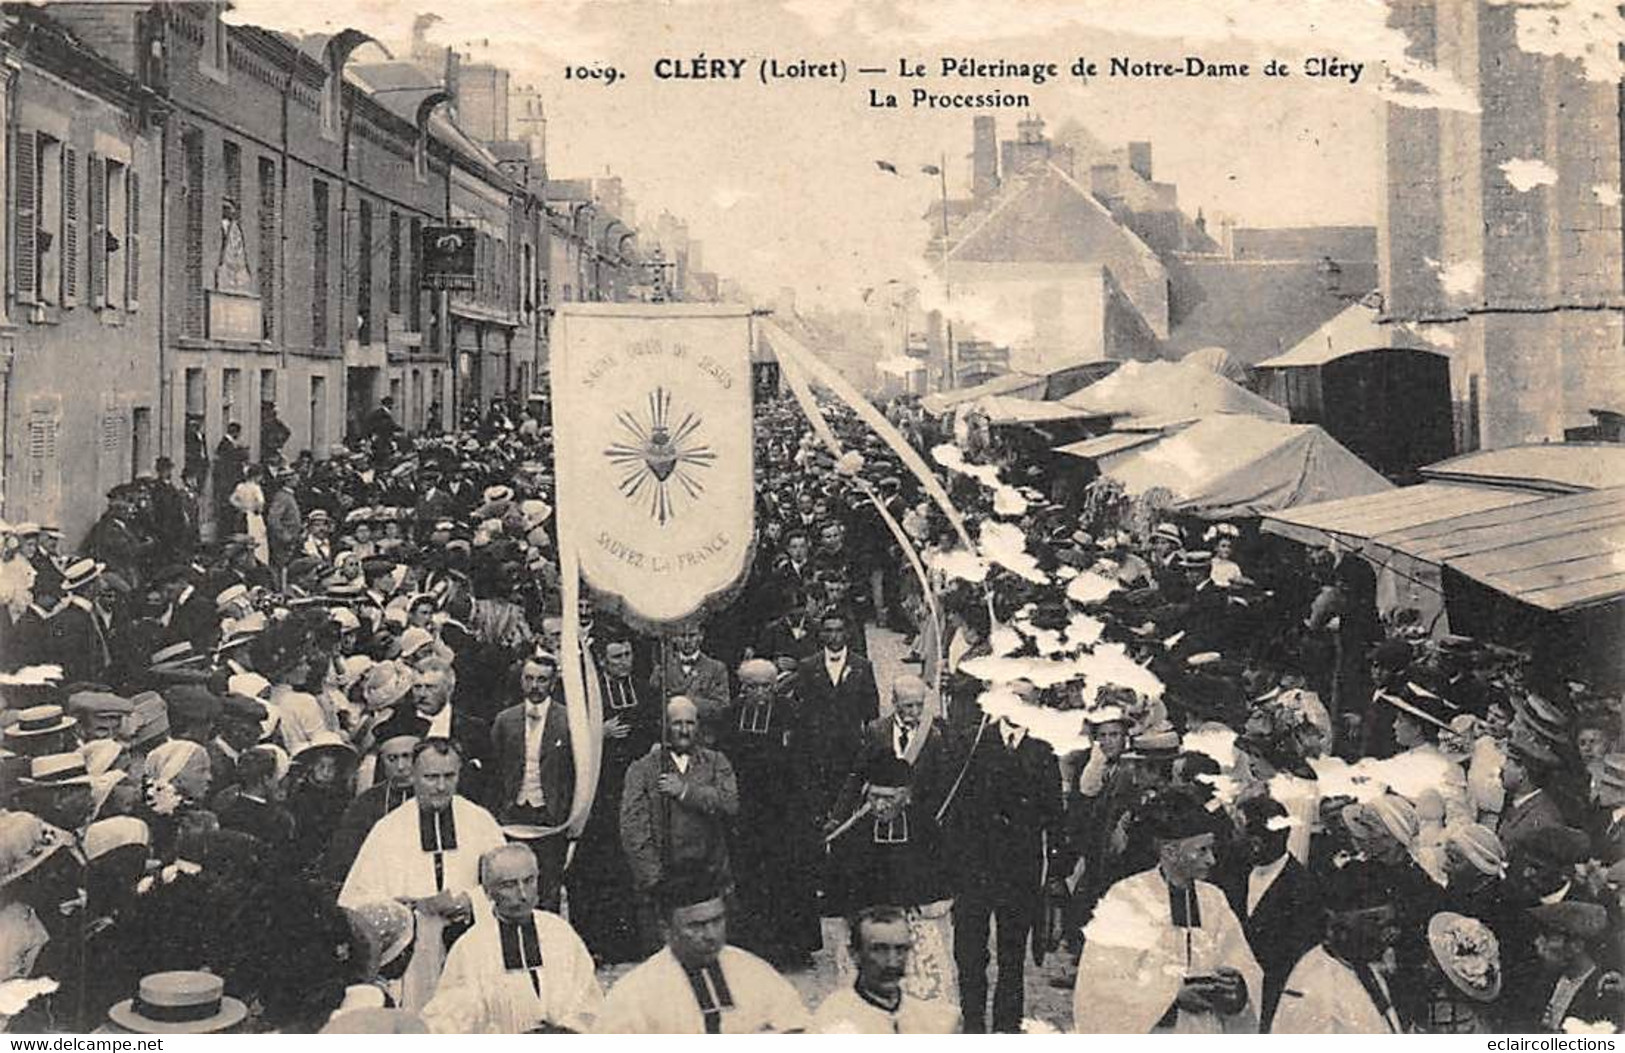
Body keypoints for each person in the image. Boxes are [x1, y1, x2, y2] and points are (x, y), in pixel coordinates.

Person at [1074, 791, 1262, 1034]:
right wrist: (1170, 998)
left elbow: (1242, 964)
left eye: (1211, 849)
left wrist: (1237, 988)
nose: (1212, 860)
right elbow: (1101, 984)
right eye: (1202, 850)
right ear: (1170, 852)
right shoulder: (1128, 897)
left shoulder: (1213, 899)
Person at [338, 739, 507, 1009]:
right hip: (414, 958)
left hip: (470, 943)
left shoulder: (480, 821)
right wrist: (401, 908)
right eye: (431, 777)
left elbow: (506, 883)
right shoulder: (388, 829)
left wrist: (471, 901)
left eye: (449, 776)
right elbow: (357, 901)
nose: (441, 786)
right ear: (414, 777)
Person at [945, 710, 1065, 1033]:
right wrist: (952, 866)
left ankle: (1006, 1028)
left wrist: (1055, 872)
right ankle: (973, 1024)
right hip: (974, 869)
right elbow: (954, 808)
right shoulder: (971, 740)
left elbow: (1055, 816)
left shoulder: (1043, 747)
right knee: (969, 954)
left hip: (1020, 872)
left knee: (1012, 958)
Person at [594, 868, 809, 1034]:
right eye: (696, 926)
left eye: (717, 920)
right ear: (666, 929)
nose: (711, 934)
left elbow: (796, 1026)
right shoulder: (636, 992)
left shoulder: (753, 971)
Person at [421, 845, 602, 1033]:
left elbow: (589, 1003)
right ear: (488, 891)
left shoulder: (559, 933)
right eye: (509, 885)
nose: (523, 894)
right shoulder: (471, 948)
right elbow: (448, 1023)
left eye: (529, 881)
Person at [620, 697, 738, 954]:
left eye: (690, 723)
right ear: (664, 726)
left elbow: (729, 803)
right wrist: (653, 878)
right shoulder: (642, 769)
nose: (684, 730)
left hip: (709, 876)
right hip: (665, 880)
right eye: (677, 724)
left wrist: (686, 791)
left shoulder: (716, 762)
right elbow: (633, 829)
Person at [724, 658, 820, 967]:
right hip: (747, 812)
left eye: (767, 686)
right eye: (754, 687)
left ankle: (792, 948)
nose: (762, 693)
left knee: (787, 878)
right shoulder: (731, 715)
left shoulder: (791, 714)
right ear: (744, 688)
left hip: (785, 812)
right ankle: (753, 947)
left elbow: (805, 762)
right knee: (750, 878)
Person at [1222, 796, 1325, 1029]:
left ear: (1255, 843)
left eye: (1237, 830)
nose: (1231, 836)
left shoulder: (1303, 889)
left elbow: (1297, 965)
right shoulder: (1232, 873)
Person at [1271, 863, 1408, 1033]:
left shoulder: (1359, 963)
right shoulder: (1314, 985)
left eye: (1391, 923)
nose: (1389, 933)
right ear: (1335, 922)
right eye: (1375, 921)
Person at [488, 652, 574, 909]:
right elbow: (495, 769)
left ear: (553, 683)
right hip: (513, 813)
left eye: (542, 680)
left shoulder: (568, 720)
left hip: (550, 816)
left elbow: (573, 772)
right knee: (511, 883)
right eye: (529, 679)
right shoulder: (505, 719)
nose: (534, 686)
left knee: (548, 888)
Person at [811, 905, 960, 1034]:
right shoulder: (831, 1022)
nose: (892, 963)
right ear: (854, 954)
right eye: (879, 950)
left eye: (901, 949)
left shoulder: (937, 1019)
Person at [795, 611, 880, 818]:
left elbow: (871, 711)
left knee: (846, 800)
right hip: (817, 747)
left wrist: (868, 746)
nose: (834, 636)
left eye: (839, 630)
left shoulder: (862, 667)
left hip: (849, 747)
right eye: (828, 631)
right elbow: (801, 709)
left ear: (847, 633)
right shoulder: (808, 666)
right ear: (821, 634)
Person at [324, 711, 425, 883]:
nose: (400, 767)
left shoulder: (439, 796)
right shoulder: (365, 803)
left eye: (407, 757)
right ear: (382, 762)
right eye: (392, 759)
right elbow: (344, 859)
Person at [1526, 902, 1624, 1032]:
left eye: (1548, 937)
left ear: (1576, 946)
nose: (1538, 942)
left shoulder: (1604, 992)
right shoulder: (1544, 979)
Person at [649, 623, 730, 745]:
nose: (687, 641)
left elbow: (721, 708)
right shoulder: (663, 667)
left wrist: (686, 701)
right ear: (674, 638)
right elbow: (653, 705)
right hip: (670, 741)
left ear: (701, 636)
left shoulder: (716, 668)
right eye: (682, 636)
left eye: (692, 635)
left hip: (703, 741)